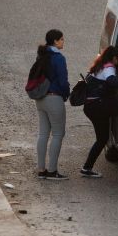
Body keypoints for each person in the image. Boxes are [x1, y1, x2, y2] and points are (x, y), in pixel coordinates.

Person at [80, 46, 118, 178]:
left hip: (92, 106)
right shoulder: (109, 67)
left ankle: (87, 167)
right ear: (114, 57)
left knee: (102, 138)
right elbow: (111, 80)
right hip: (98, 107)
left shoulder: (99, 65)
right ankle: (86, 168)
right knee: (102, 138)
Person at [35, 29, 70, 180]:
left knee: (43, 134)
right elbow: (63, 81)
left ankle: (41, 169)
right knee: (57, 133)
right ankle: (52, 170)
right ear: (55, 41)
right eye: (62, 39)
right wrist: (66, 94)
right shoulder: (58, 58)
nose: (63, 42)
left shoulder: (41, 55)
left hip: (40, 98)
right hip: (54, 97)